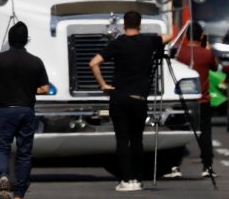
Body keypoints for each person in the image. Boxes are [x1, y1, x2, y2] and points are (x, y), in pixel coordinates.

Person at [88, 10, 174, 192]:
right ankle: (137, 178)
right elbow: (169, 36)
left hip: (119, 97)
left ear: (123, 25)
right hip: (139, 99)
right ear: (140, 25)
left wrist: (103, 85)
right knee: (137, 140)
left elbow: (93, 63)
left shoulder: (117, 43)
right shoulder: (148, 41)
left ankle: (126, 179)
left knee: (122, 139)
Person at [0, 22, 49, 199]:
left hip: (4, 111)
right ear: (26, 40)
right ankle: (19, 194)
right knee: (24, 154)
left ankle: (3, 175)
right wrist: (29, 89)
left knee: (1, 149)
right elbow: (44, 88)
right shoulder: (35, 61)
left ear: (10, 40)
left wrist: (2, 84)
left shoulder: (0, 59)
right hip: (26, 110)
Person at [170, 22, 216, 180]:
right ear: (201, 36)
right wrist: (206, 47)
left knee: (178, 132)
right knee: (205, 134)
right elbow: (215, 67)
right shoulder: (207, 53)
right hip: (202, 99)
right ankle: (207, 166)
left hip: (182, 100)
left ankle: (174, 165)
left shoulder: (180, 53)